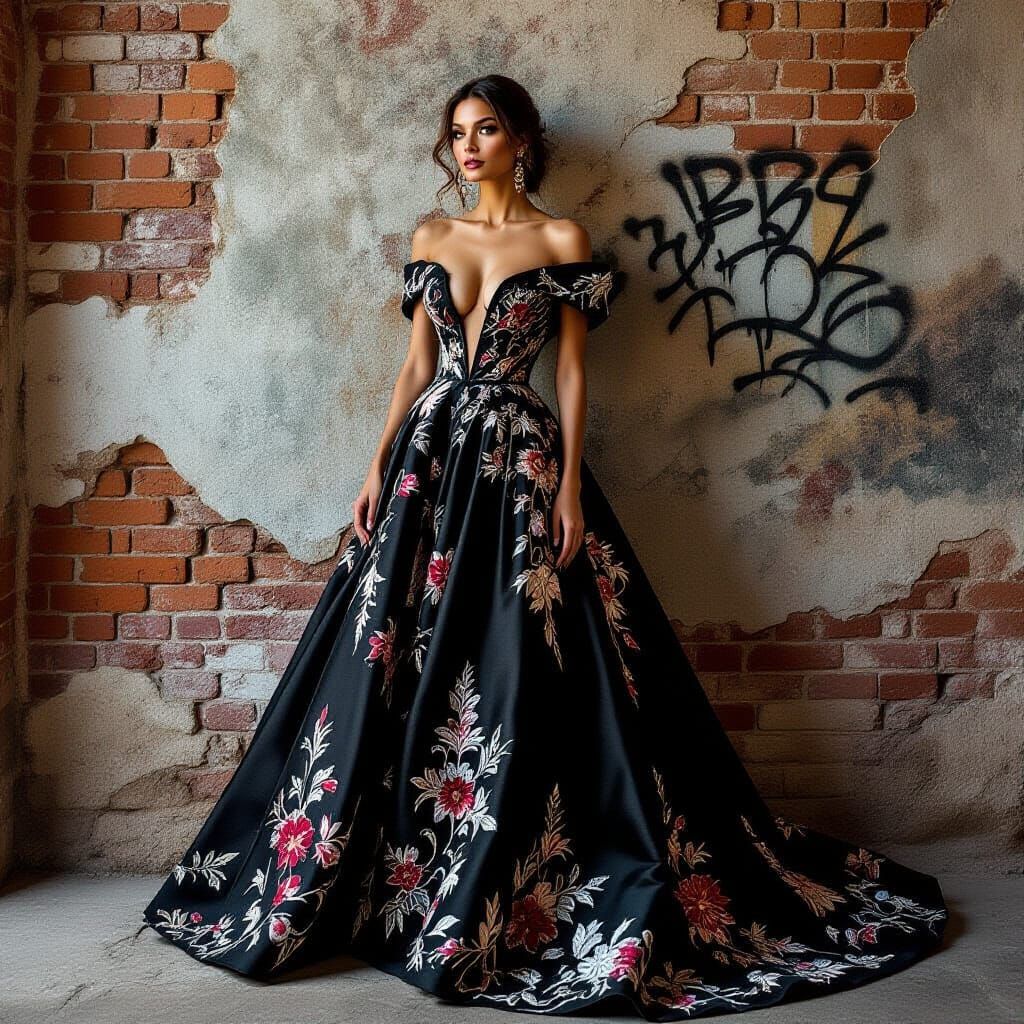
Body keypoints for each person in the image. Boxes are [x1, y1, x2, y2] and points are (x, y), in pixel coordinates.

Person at [142, 74, 948, 1018]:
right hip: (428, 460)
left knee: (525, 656)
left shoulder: (562, 242)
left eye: (486, 129)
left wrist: (565, 486)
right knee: (387, 655)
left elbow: (569, 376)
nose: (469, 146)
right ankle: (387, 871)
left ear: (521, 138)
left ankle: (506, 867)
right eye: (457, 133)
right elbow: (415, 365)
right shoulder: (431, 239)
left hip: (518, 460)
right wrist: (373, 470)